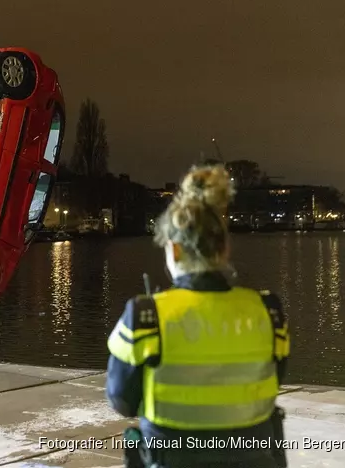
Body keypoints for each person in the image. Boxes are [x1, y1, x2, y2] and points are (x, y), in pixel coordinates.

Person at [105, 165, 290, 468]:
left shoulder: (145, 317)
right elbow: (275, 379)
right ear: (225, 248)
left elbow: (121, 401)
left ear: (174, 250)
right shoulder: (269, 313)